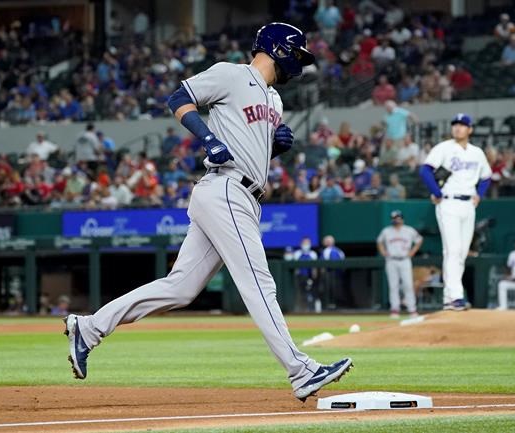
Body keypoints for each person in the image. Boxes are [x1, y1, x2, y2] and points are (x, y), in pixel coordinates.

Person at [63, 22, 352, 402]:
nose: (299, 62)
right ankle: (301, 371)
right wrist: (208, 138)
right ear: (278, 47)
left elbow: (250, 146)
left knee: (180, 288)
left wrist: (275, 147)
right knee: (259, 283)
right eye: (297, 53)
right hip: (226, 188)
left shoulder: (275, 101)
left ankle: (89, 328)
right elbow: (178, 97)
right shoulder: (231, 74)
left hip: (242, 194)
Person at [418, 114, 492, 310]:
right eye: (455, 125)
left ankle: (449, 297)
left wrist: (479, 195)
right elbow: (425, 170)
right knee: (452, 250)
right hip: (449, 203)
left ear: (470, 130)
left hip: (469, 205)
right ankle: (456, 297)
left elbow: (486, 177)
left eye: (462, 125)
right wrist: (437, 192)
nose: (458, 128)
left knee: (461, 253)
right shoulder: (444, 148)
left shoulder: (477, 152)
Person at [376, 210, 423, 318]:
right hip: (391, 260)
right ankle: (395, 309)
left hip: (405, 259)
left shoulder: (408, 230)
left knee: (408, 285)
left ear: (402, 219)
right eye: (394, 218)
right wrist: (383, 251)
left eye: (398, 218)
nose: (396, 220)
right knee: (393, 286)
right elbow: (379, 241)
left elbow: (419, 240)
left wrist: (413, 251)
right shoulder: (387, 231)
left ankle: (412, 309)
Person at [294, 236, 320, 312]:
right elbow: (295, 268)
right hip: (300, 277)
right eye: (304, 243)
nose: (306, 244)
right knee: (301, 294)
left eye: (307, 243)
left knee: (312, 294)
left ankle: (312, 309)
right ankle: (301, 309)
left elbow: (315, 268)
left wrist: (314, 278)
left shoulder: (313, 254)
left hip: (310, 277)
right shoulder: (297, 253)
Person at [320, 235, 346, 309]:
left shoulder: (327, 251)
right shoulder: (340, 251)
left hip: (330, 275)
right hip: (339, 276)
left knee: (330, 292)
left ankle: (330, 307)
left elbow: (322, 266)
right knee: (338, 292)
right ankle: (337, 307)